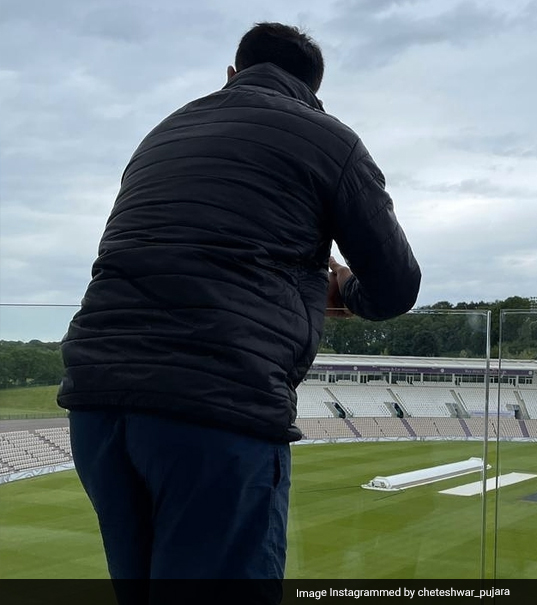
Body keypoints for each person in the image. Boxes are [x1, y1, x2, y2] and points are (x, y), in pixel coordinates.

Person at [57, 21, 420, 601]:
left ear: (232, 74)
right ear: (314, 90)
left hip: (96, 407)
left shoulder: (161, 132)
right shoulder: (329, 138)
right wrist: (343, 292)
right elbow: (397, 286)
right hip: (217, 405)